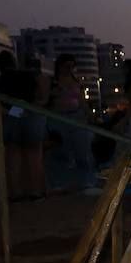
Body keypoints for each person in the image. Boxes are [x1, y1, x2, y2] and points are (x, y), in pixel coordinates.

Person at [0, 51, 47, 200]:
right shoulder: (27, 76)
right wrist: (33, 106)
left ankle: (16, 192)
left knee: (13, 155)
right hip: (31, 115)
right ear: (14, 62)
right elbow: (41, 88)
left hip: (11, 119)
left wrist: (15, 111)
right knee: (34, 156)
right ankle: (36, 191)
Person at [49, 54, 98, 192]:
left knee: (83, 150)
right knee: (60, 151)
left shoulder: (75, 81)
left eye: (72, 66)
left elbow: (82, 100)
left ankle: (87, 181)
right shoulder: (53, 81)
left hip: (77, 116)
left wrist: (89, 115)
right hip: (58, 117)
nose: (69, 69)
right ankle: (59, 183)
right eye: (67, 66)